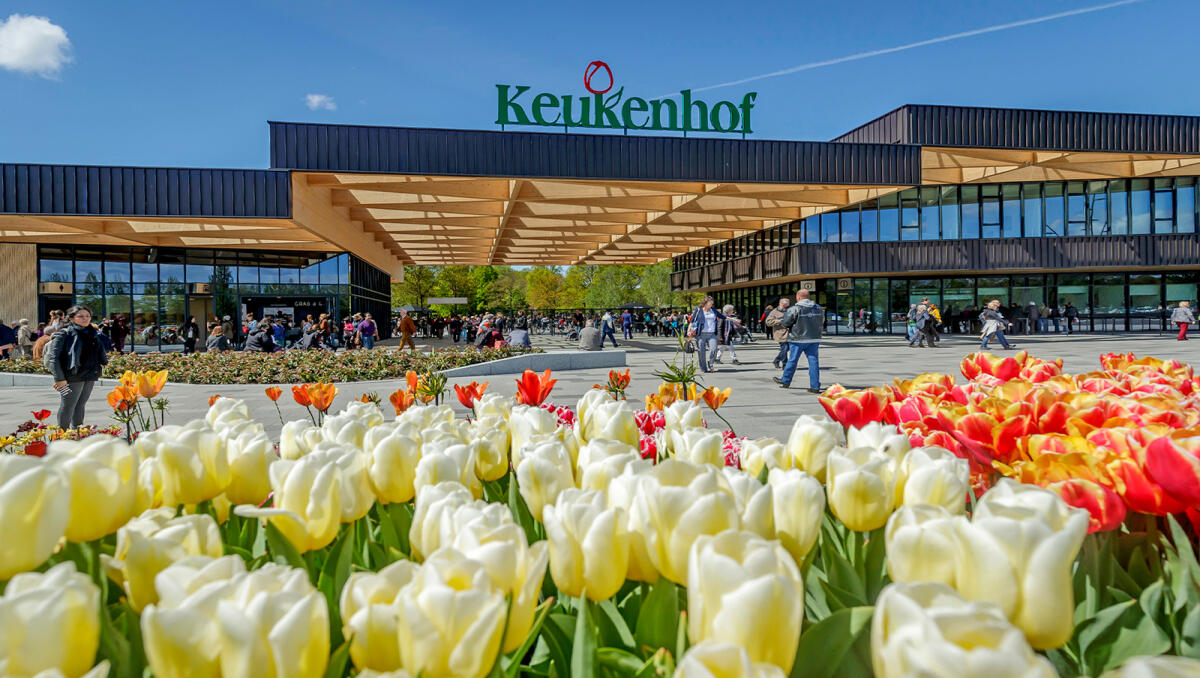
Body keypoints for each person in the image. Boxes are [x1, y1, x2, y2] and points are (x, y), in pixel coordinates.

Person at [45, 306, 108, 429]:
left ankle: (77, 432)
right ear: (72, 318)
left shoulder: (93, 334)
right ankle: (62, 434)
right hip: (70, 377)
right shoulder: (63, 334)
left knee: (81, 405)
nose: (85, 318)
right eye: (81, 316)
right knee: (68, 405)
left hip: (89, 375)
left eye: (87, 316)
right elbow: (54, 359)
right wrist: (59, 379)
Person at [774, 289, 823, 392]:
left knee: (793, 360)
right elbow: (821, 321)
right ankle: (815, 386)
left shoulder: (795, 308)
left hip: (797, 338)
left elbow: (786, 323)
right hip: (814, 338)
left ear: (798, 297)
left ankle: (786, 380)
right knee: (813, 362)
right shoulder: (818, 308)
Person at [688, 297, 726, 373]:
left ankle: (710, 363)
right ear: (705, 303)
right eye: (710, 302)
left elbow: (723, 317)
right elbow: (692, 321)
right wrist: (689, 330)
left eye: (712, 302)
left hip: (712, 334)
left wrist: (734, 319)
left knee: (714, 349)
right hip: (701, 334)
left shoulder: (713, 310)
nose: (711, 303)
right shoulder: (698, 310)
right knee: (701, 352)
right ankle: (703, 368)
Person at [765, 298, 790, 369]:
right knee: (784, 348)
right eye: (784, 306)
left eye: (787, 306)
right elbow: (768, 322)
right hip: (780, 333)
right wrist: (780, 321)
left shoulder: (790, 310)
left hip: (790, 333)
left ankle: (776, 360)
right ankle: (785, 364)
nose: (786, 307)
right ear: (780, 304)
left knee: (787, 348)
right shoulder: (774, 312)